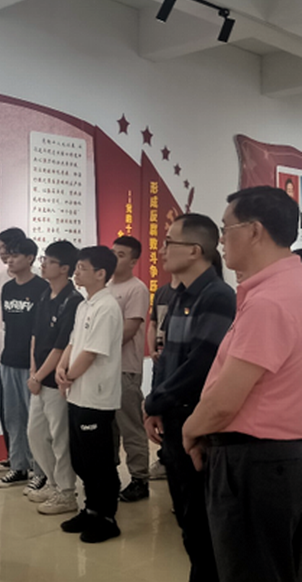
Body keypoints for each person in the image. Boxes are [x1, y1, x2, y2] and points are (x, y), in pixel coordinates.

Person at [183, 186, 302, 582]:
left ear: (254, 231)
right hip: (284, 459)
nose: (221, 240)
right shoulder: (293, 285)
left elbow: (225, 401)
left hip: (255, 466)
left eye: (226, 228)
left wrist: (190, 429)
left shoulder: (269, 301)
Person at [143, 214, 236, 582]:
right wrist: (155, 403)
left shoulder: (217, 296)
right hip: (173, 417)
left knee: (202, 521)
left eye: (169, 242)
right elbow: (167, 357)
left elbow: (202, 363)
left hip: (198, 425)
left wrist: (156, 402)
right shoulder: (177, 295)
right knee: (187, 518)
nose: (162, 250)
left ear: (195, 251)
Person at [56, 246, 123, 543]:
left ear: (101, 273)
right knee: (82, 459)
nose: (76, 272)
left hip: (96, 396)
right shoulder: (85, 305)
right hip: (77, 393)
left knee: (99, 461)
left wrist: (69, 375)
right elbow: (73, 343)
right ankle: (91, 509)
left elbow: (92, 352)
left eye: (82, 268)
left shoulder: (107, 307)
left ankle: (107, 517)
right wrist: (61, 368)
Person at [25, 241, 83, 514]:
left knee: (60, 438)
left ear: (64, 268)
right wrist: (33, 372)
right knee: (36, 434)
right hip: (39, 379)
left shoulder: (73, 301)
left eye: (49, 261)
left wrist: (39, 376)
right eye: (44, 259)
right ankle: (52, 482)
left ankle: (66, 492)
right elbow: (35, 337)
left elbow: (61, 347)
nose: (43, 264)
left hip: (57, 381)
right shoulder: (44, 296)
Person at [0, 237, 48, 488]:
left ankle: (41, 470)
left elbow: (41, 331)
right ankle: (18, 466)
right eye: (9, 255)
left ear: (30, 258)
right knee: (13, 417)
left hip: (32, 364)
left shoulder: (42, 288)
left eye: (15, 255)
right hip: (9, 360)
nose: (10, 260)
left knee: (35, 421)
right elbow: (8, 324)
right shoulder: (7, 288)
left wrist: (37, 368)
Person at [108, 236, 151, 502]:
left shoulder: (137, 289)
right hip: (103, 369)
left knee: (130, 426)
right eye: (112, 252)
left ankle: (139, 479)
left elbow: (129, 329)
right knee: (108, 428)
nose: (114, 258)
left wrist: (97, 348)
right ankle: (110, 475)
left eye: (121, 254)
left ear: (134, 261)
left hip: (126, 368)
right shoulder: (105, 286)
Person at [0, 227, 27, 473]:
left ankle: (34, 461)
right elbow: (1, 318)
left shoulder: (39, 280)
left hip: (30, 355)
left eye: (5, 248)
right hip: (6, 352)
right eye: (0, 249)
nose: (2, 254)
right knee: (9, 409)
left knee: (31, 411)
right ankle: (14, 456)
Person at [146, 275, 180, 481]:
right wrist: (152, 350)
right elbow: (153, 324)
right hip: (160, 360)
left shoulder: (193, 293)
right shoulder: (162, 292)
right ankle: (164, 457)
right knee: (159, 411)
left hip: (178, 361)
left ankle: (173, 458)